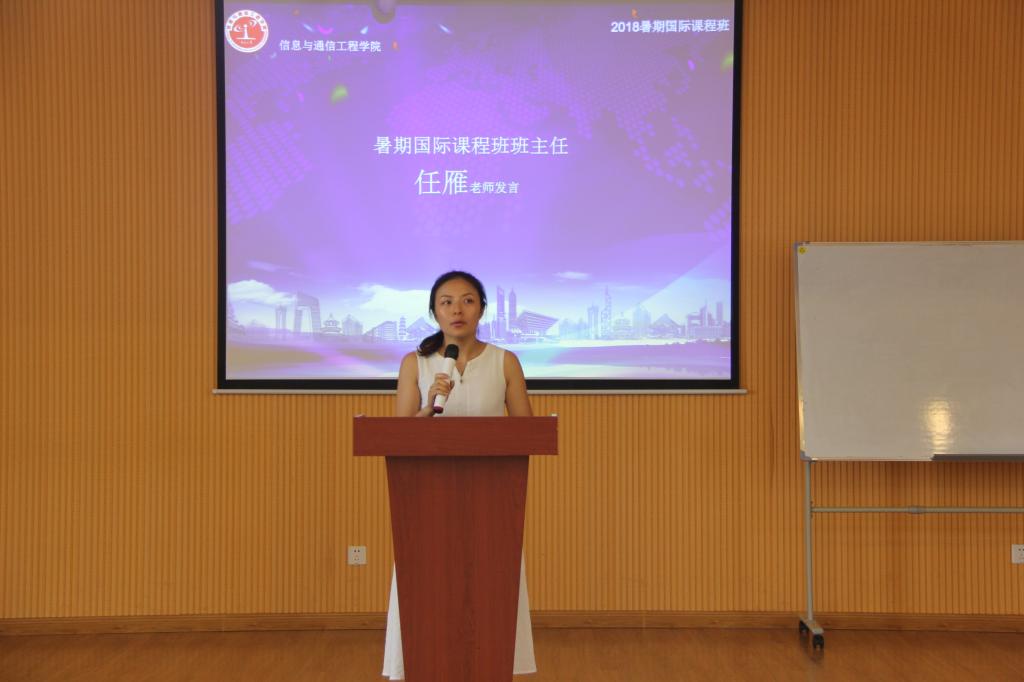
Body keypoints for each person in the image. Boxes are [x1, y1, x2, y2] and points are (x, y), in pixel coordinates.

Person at [382, 270, 536, 680]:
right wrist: (428, 407)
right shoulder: (415, 363)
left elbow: (527, 431)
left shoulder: (505, 361)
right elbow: (400, 435)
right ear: (433, 311)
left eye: (467, 300)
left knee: (491, 589)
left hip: (493, 503)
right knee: (427, 588)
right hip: (426, 501)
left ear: (482, 309)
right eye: (446, 302)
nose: (457, 310)